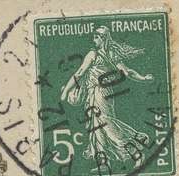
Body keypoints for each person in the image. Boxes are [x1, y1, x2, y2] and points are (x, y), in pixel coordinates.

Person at [59, 25, 154, 165]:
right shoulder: (112, 55)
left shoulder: (93, 54)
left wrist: (66, 91)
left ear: (102, 38)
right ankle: (103, 162)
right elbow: (128, 72)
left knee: (104, 123)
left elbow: (79, 74)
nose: (93, 40)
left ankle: (134, 148)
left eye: (96, 37)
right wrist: (143, 78)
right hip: (105, 93)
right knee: (96, 125)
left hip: (98, 92)